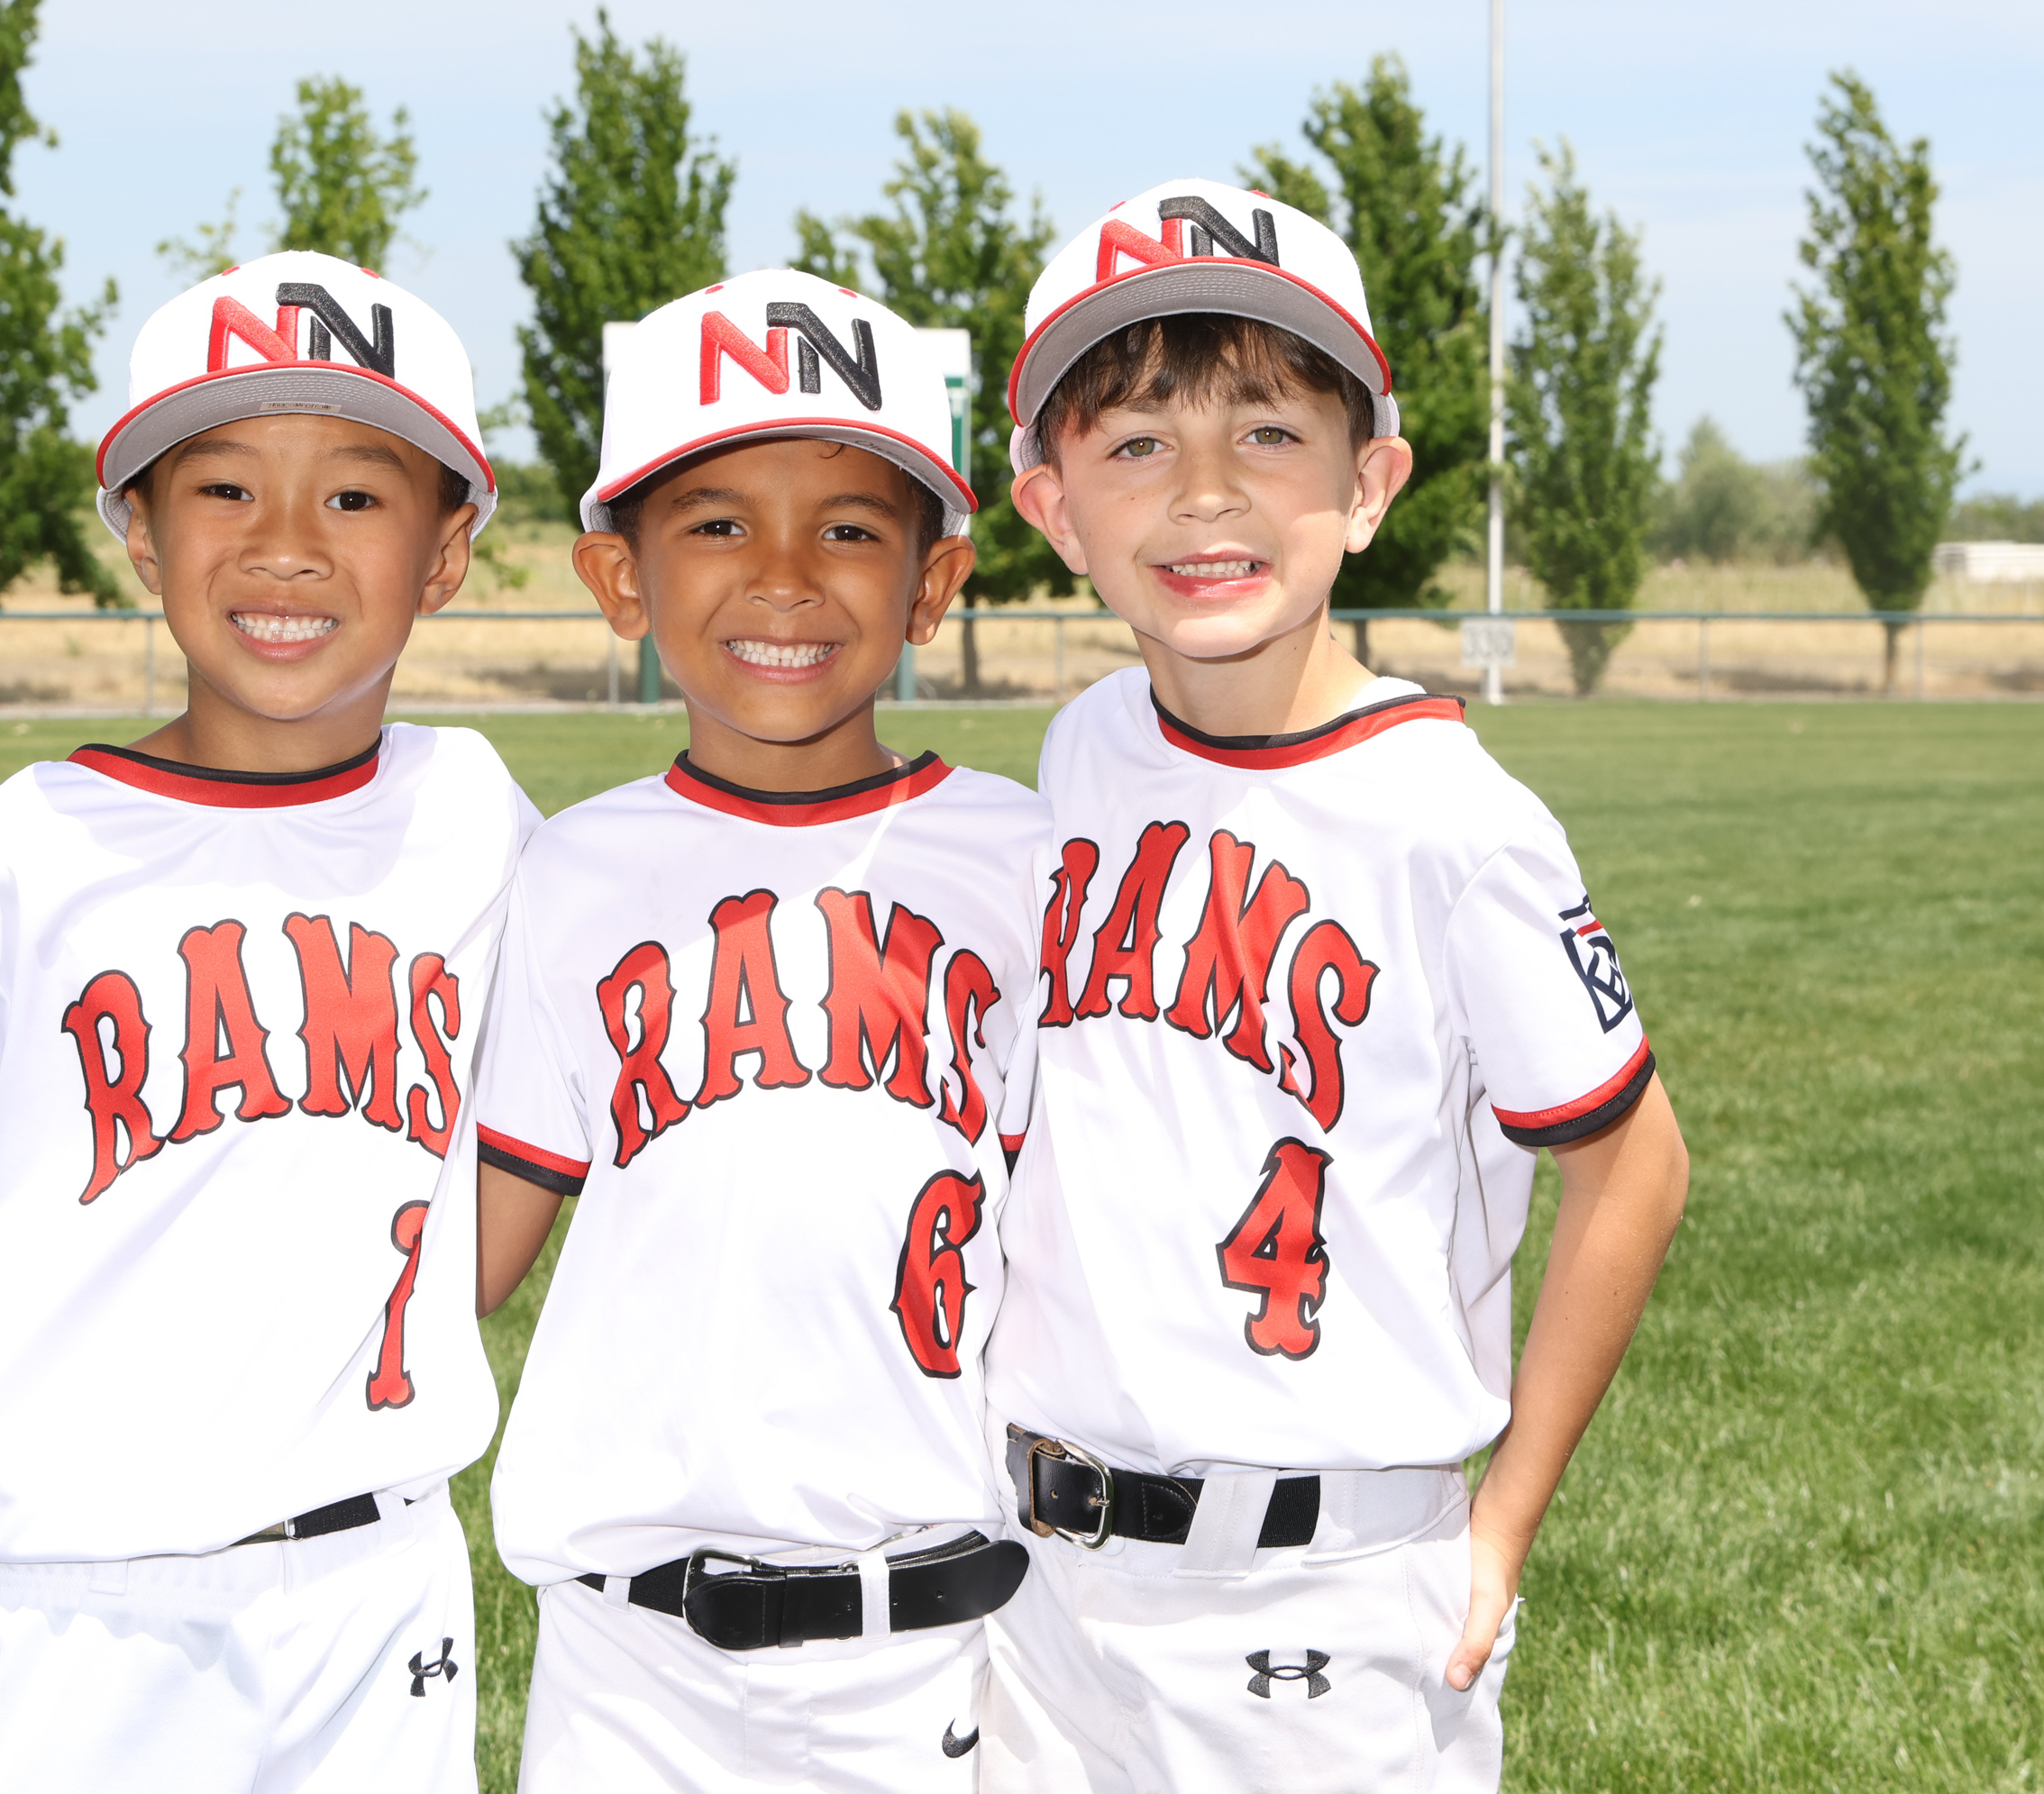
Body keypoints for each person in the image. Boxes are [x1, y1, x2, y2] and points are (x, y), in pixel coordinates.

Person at [978, 178, 1690, 1792]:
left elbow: (1636, 1165)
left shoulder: (1454, 819)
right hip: (1045, 1583)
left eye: (1270, 433)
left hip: (1321, 1585)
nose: (1205, 493)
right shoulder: (1085, 746)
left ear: (1369, 485)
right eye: (1135, 443)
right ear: (1055, 511)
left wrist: (1504, 1519)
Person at [0, 251, 536, 1793]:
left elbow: (541, 1124)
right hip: (75, 1587)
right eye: (224, 488)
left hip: (375, 1574)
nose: (286, 545)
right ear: (143, 535)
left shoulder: (476, 815)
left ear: (444, 555)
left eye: (356, 496)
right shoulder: (26, 846)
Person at [474, 268, 1049, 1791]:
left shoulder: (1028, 859)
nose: (784, 580)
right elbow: (475, 1248)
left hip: (930, 1635)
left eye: (850, 530)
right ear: (621, 581)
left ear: (933, 583)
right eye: (719, 524)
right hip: (627, 1658)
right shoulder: (569, 869)